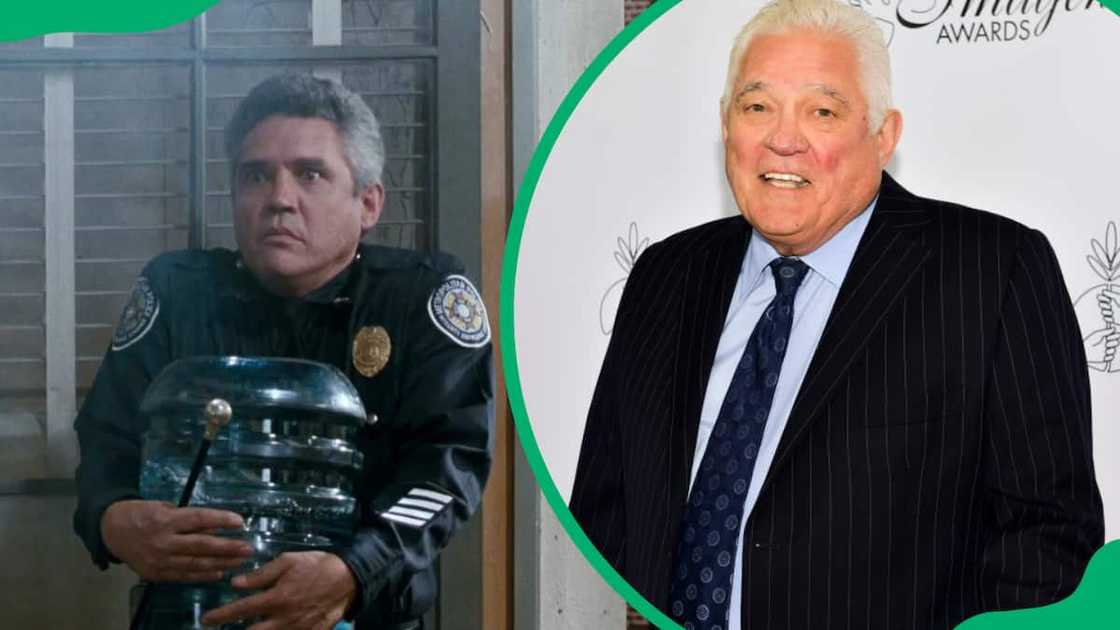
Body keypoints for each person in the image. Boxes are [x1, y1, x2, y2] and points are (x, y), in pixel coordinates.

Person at [568, 1, 1104, 629]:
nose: (783, 139)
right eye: (756, 106)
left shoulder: (992, 271)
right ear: (726, 124)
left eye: (822, 111)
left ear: (884, 136)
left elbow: (1048, 533)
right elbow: (604, 513)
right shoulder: (665, 275)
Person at [72, 74, 493, 630]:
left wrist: (354, 571)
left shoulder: (422, 298)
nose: (279, 199)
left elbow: (449, 466)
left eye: (310, 174)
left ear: (368, 203)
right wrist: (114, 520)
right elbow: (106, 441)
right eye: (256, 176)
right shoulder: (178, 293)